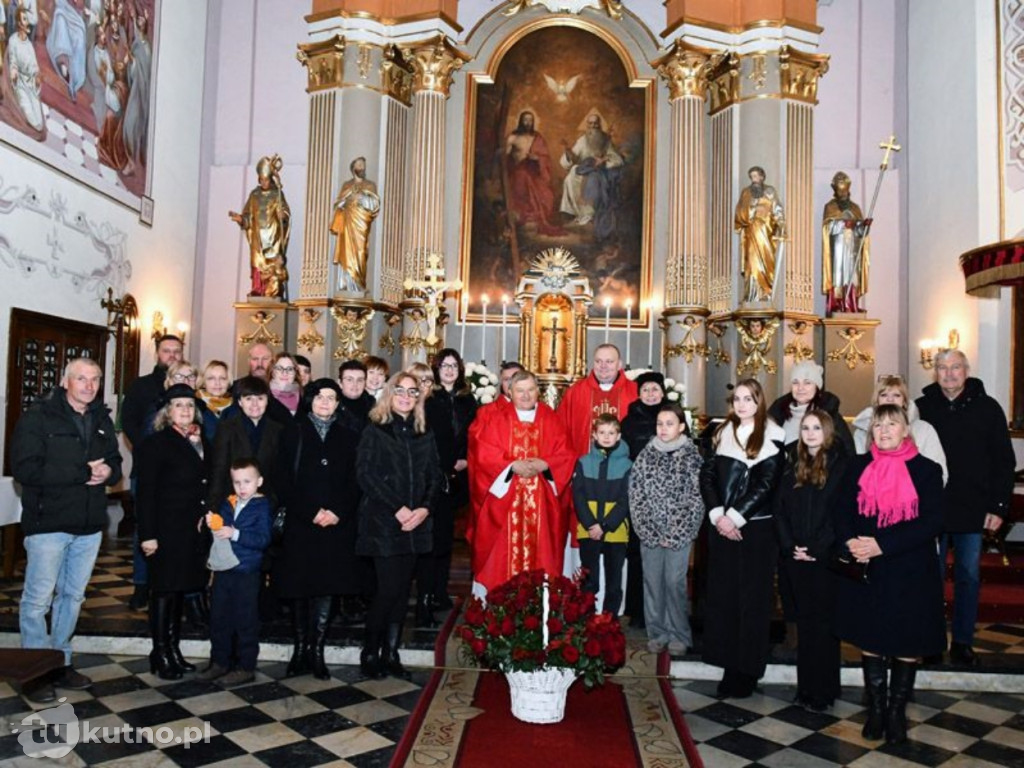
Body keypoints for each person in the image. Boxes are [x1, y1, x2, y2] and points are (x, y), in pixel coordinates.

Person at [11, 358, 122, 703]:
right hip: (49, 523)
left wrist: (110, 474)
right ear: (65, 382)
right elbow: (25, 469)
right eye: (81, 379)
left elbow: (115, 463)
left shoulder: (101, 418)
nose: (89, 385)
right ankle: (34, 671)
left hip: (88, 524)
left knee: (72, 598)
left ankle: (61, 662)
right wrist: (80, 471)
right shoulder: (38, 417)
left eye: (95, 379)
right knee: (37, 600)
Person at [834, 404, 945, 744]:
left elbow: (931, 523)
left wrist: (883, 545)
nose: (883, 431)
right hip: (869, 568)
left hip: (910, 567)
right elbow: (840, 510)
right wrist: (850, 540)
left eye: (891, 424)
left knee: (906, 639)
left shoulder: (926, 470)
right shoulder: (857, 465)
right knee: (872, 638)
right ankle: (877, 710)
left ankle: (896, 713)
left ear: (905, 429)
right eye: (878, 425)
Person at [916, 349, 1016, 664]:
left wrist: (999, 507)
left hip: (973, 509)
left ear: (966, 370)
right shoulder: (922, 407)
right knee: (929, 576)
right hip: (931, 508)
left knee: (968, 577)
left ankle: (962, 641)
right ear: (935, 372)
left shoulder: (988, 408)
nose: (949, 374)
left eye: (955, 367)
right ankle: (931, 640)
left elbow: (1004, 461)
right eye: (942, 368)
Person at [700, 379, 786, 698]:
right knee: (725, 598)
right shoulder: (721, 432)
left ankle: (748, 669)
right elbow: (707, 475)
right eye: (737, 399)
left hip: (756, 530)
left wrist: (735, 517)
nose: (742, 404)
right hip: (722, 526)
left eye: (748, 399)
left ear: (759, 401)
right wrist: (718, 515)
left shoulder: (773, 435)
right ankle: (727, 663)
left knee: (752, 601)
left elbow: (766, 484)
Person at [355, 373, 443, 679]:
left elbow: (435, 476)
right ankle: (370, 651)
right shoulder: (375, 429)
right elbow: (366, 476)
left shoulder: (424, 432)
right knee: (388, 589)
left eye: (412, 392)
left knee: (403, 590)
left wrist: (424, 509)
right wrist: (399, 509)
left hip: (416, 523)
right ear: (390, 394)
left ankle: (391, 653)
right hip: (384, 522)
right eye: (400, 391)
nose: (406, 396)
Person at [275, 379, 359, 680]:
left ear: (338, 403)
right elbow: (282, 480)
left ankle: (318, 651)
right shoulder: (292, 433)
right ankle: (300, 650)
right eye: (320, 397)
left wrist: (337, 512)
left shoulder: (350, 436)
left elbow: (356, 481)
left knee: (327, 586)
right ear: (310, 400)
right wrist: (311, 511)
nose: (325, 402)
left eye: (331, 398)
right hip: (302, 523)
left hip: (336, 525)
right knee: (300, 586)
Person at [467, 370, 576, 595]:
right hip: (505, 503)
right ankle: (498, 606)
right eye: (520, 391)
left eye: (530, 390)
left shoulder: (551, 418)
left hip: (541, 504)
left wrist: (546, 464)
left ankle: (541, 606)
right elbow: (484, 454)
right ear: (510, 392)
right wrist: (511, 466)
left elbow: (566, 454)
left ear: (538, 392)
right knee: (501, 555)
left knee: (542, 552)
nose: (525, 396)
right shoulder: (496, 419)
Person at [774, 411, 847, 711]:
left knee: (824, 626)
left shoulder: (840, 465)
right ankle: (806, 687)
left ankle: (824, 689)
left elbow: (838, 513)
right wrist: (791, 545)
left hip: (824, 557)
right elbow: (779, 508)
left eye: (816, 427)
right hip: (795, 556)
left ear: (827, 431)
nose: (810, 432)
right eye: (805, 427)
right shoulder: (793, 464)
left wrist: (816, 547)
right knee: (804, 626)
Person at [136, 385, 210, 680]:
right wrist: (148, 535)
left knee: (179, 590)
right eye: (178, 406)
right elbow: (146, 494)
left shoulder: (202, 440)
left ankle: (174, 650)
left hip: (191, 531)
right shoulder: (156, 444)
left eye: (189, 406)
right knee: (164, 591)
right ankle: (160, 652)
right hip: (165, 530)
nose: (185, 411)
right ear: (167, 411)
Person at [629, 403, 704, 655]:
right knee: (653, 583)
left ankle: (679, 633)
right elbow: (636, 494)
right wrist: (648, 529)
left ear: (681, 426)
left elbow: (696, 498)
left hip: (678, 535)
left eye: (669, 423)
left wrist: (675, 532)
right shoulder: (645, 455)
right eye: (660, 424)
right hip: (650, 534)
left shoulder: (692, 457)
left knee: (674, 583)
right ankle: (658, 632)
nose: (663, 428)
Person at [121, 334, 184, 612]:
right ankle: (141, 584)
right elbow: (129, 423)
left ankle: (173, 584)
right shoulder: (141, 386)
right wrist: (151, 452)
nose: (171, 355)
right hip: (147, 469)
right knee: (144, 527)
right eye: (166, 351)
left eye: (176, 351)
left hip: (181, 474)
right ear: (157, 353)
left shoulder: (188, 386)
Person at [418, 349, 477, 626]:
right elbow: (428, 436)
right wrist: (447, 463)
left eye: (454, 365)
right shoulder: (430, 398)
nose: (450, 370)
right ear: (437, 369)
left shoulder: (468, 400)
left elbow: (474, 434)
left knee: (449, 539)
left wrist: (466, 459)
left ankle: (441, 592)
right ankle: (428, 593)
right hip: (437, 474)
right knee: (435, 537)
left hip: (462, 473)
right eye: (444, 365)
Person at [201, 459, 272, 687]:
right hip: (224, 569)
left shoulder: (261, 507)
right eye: (237, 482)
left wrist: (235, 534)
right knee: (219, 617)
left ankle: (245, 666)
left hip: (246, 571)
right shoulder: (228, 503)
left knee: (245, 619)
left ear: (259, 482)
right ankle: (219, 662)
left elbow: (263, 539)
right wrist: (213, 522)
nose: (242, 487)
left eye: (247, 482)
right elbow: (220, 526)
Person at [619, 370, 668, 630]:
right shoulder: (628, 421)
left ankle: (660, 611)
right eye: (646, 390)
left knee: (664, 553)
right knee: (638, 552)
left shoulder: (672, 417)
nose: (651, 394)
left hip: (667, 498)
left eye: (655, 390)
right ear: (639, 393)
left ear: (663, 392)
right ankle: (637, 611)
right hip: (638, 495)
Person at [573, 414, 631, 616]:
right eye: (602, 432)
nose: (607, 437)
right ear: (594, 435)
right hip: (588, 529)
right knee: (589, 577)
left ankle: (610, 620)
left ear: (619, 436)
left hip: (615, 530)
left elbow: (626, 500)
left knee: (614, 578)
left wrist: (605, 525)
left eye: (611, 433)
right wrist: (590, 524)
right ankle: (586, 617)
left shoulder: (627, 465)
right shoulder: (583, 462)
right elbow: (578, 496)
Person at [852, 375, 947, 483]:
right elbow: (858, 473)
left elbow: (939, 472)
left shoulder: (924, 429)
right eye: (884, 395)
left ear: (904, 402)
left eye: (896, 395)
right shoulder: (861, 432)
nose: (890, 399)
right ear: (877, 401)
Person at [558, 344, 638, 460]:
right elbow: (561, 430)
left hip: (624, 466)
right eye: (598, 361)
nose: (603, 366)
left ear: (619, 364)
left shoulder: (635, 392)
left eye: (609, 361)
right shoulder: (576, 391)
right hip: (584, 466)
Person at [229, 154, 291, 299]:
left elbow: (285, 213)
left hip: (273, 235)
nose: (264, 182)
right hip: (258, 236)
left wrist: (283, 216)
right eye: (261, 180)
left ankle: (274, 292)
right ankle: (257, 289)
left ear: (270, 179)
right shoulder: (254, 195)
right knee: (257, 262)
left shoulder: (277, 194)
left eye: (266, 179)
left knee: (274, 263)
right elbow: (248, 216)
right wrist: (241, 219)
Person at [559, 112, 624, 239]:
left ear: (599, 125)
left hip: (599, 172)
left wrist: (604, 160)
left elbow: (618, 160)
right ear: (587, 125)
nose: (593, 126)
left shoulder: (606, 140)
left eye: (596, 123)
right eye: (590, 123)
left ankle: (590, 214)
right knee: (571, 176)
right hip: (585, 169)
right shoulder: (582, 140)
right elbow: (573, 157)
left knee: (593, 180)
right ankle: (579, 214)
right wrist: (568, 153)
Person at [768, 361, 854, 453]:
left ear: (817, 387)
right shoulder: (778, 413)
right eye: (795, 382)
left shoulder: (830, 416)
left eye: (807, 383)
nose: (800, 388)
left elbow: (848, 453)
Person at [822, 171, 871, 315]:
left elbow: (860, 233)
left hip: (852, 247)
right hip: (837, 245)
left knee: (852, 273)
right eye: (840, 190)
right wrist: (843, 224)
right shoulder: (830, 207)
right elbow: (827, 228)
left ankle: (851, 304)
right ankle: (837, 304)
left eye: (845, 190)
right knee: (838, 273)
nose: (842, 193)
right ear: (835, 190)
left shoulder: (855, 208)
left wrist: (864, 226)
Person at [505, 110, 561, 234]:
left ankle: (535, 217)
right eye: (525, 120)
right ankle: (524, 217)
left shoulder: (537, 137)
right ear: (521, 121)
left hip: (535, 171)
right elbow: (506, 156)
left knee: (546, 194)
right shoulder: (513, 137)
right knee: (523, 179)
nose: (528, 123)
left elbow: (545, 157)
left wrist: (536, 158)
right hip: (518, 170)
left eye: (530, 120)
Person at [735, 166, 785, 303]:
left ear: (762, 177)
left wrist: (781, 225)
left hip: (765, 231)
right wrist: (749, 210)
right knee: (751, 263)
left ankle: (765, 292)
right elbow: (739, 212)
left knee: (765, 262)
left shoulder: (770, 191)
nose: (754, 180)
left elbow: (777, 210)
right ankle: (751, 294)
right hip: (751, 232)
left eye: (756, 176)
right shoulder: (746, 193)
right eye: (752, 177)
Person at [332, 156, 380, 292]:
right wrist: (347, 200)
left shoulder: (370, 185)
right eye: (359, 165)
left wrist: (362, 198)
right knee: (346, 251)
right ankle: (346, 284)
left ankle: (358, 284)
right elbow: (338, 204)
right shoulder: (346, 185)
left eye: (363, 165)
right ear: (353, 168)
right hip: (348, 223)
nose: (362, 168)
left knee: (361, 252)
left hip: (361, 223)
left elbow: (375, 205)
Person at [196, 360, 233, 435]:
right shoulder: (195, 406)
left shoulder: (237, 407)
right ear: (203, 382)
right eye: (211, 378)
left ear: (228, 382)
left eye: (222, 378)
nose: (217, 383)